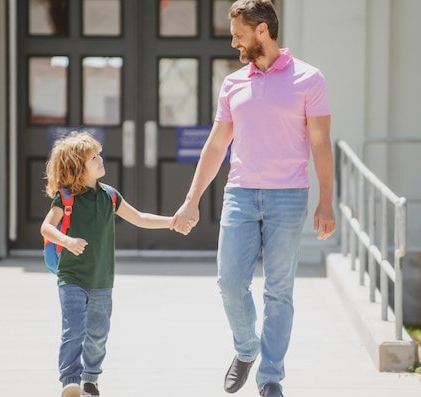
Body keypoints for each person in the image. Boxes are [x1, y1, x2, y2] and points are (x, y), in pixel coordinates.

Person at [170, 1, 336, 396]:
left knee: (279, 291)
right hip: (240, 196)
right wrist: (191, 199)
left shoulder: (309, 79)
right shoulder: (233, 84)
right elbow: (215, 147)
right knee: (229, 283)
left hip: (289, 198)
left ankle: (270, 377)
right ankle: (246, 349)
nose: (233, 42)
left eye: (238, 33)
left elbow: (321, 144)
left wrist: (326, 200)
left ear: (262, 30)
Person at [41, 132, 184, 397]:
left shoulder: (110, 196)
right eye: (93, 157)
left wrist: (171, 221)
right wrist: (67, 240)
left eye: (99, 154)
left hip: (102, 280)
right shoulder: (65, 198)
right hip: (71, 277)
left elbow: (139, 217)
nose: (100, 159)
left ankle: (90, 378)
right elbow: (47, 227)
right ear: (76, 166)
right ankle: (70, 381)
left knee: (97, 335)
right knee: (73, 331)